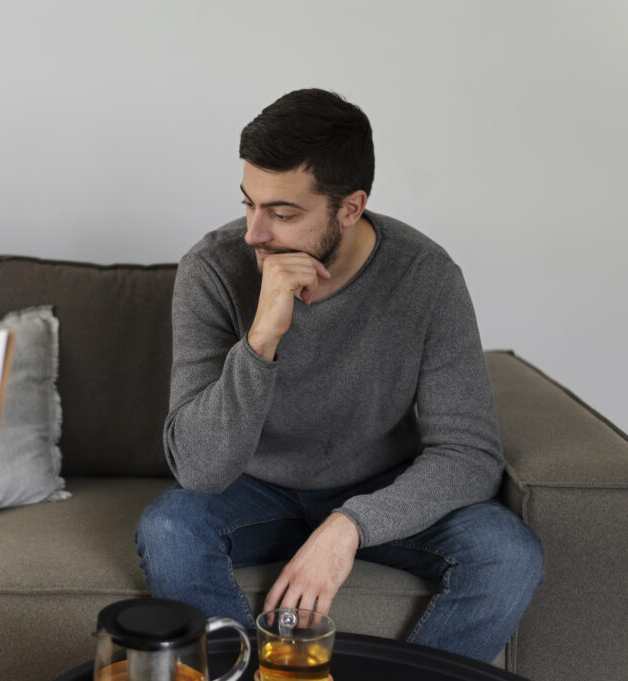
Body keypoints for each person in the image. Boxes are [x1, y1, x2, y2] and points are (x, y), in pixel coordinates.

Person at [135, 88, 545, 663]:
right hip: (250, 489)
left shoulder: (426, 277)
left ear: (350, 208)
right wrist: (261, 341)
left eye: (282, 214)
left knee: (509, 553)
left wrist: (349, 525)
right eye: (249, 203)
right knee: (169, 530)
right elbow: (200, 470)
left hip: (378, 483)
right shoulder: (212, 269)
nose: (255, 232)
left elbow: (470, 452)